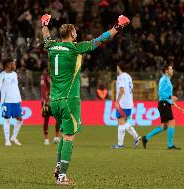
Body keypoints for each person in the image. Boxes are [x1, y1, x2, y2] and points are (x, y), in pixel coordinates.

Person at [41, 13, 130, 185]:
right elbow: (100, 40)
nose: (76, 34)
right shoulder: (75, 48)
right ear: (72, 34)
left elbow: (46, 36)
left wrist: (44, 24)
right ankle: (62, 177)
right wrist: (118, 26)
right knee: (69, 137)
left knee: (64, 134)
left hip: (55, 100)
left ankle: (58, 168)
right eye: (75, 32)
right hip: (69, 100)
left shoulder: (51, 46)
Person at [142, 63, 184, 150]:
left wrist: (175, 104)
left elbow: (166, 95)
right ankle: (170, 145)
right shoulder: (164, 79)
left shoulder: (167, 80)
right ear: (166, 71)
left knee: (164, 126)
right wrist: (171, 97)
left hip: (165, 103)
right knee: (172, 122)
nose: (172, 70)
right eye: (171, 69)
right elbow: (160, 93)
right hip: (163, 104)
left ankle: (146, 138)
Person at [111, 62, 140, 149]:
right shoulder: (128, 76)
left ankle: (121, 144)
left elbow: (122, 90)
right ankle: (135, 138)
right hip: (129, 103)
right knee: (124, 123)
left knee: (121, 123)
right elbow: (131, 88)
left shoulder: (121, 77)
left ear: (119, 67)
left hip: (122, 103)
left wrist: (117, 101)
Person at [0, 58, 23, 146]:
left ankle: (14, 137)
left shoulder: (15, 74)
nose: (14, 65)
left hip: (16, 100)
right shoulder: (1, 75)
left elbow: (15, 87)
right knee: (7, 119)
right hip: (6, 101)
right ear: (7, 65)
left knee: (19, 119)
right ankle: (7, 140)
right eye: (13, 64)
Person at [40, 68, 60, 145]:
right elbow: (43, 89)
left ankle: (57, 137)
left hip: (56, 100)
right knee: (46, 119)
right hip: (46, 101)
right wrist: (46, 99)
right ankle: (46, 139)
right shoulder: (44, 77)